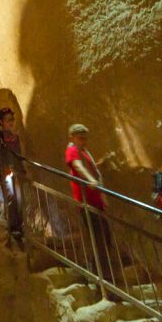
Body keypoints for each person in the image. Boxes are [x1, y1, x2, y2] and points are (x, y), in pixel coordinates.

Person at [65, 123, 119, 287]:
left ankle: (101, 273)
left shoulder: (84, 151)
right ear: (72, 137)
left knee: (104, 237)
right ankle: (99, 276)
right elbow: (77, 166)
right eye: (80, 138)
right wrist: (91, 180)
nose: (83, 141)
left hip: (95, 202)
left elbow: (88, 167)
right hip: (86, 202)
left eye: (85, 138)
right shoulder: (72, 149)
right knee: (97, 238)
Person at [0, 108, 25, 241]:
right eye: (8, 120)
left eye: (12, 120)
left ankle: (19, 225)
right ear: (1, 122)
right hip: (6, 170)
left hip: (16, 170)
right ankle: (13, 227)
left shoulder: (16, 137)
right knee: (11, 197)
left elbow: (17, 154)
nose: (11, 123)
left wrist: (21, 168)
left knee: (19, 197)